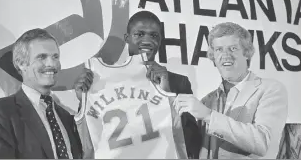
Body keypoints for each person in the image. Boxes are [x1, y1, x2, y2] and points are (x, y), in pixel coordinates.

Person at [74, 10, 202, 159]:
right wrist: (83, 98)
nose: (147, 40)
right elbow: (89, 137)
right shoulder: (100, 82)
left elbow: (192, 140)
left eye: (154, 35)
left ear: (160, 40)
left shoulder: (178, 82)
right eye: (139, 34)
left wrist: (167, 94)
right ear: (127, 38)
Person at [173, 22, 288, 158]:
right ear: (213, 57)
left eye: (233, 48)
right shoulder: (207, 101)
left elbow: (263, 142)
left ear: (246, 53)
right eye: (219, 49)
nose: (225, 55)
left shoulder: (270, 89)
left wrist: (209, 116)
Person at [0, 29, 83, 159]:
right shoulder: (1, 112)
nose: (51, 64)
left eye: (55, 57)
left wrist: (85, 102)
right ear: (21, 63)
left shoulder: (65, 116)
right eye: (42, 57)